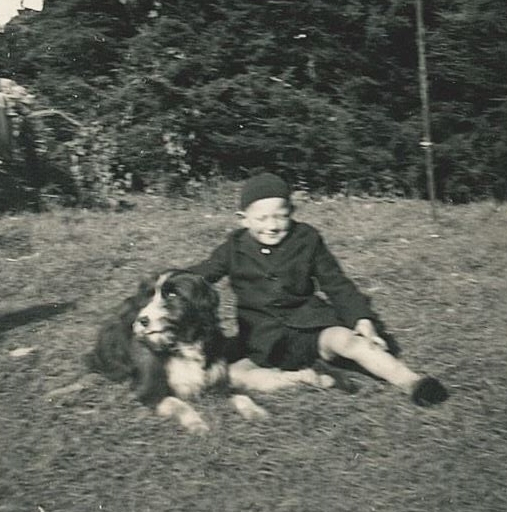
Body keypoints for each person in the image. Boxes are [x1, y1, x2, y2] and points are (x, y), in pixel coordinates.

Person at [188, 172, 448, 406]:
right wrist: (165, 282)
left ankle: (412, 382)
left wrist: (362, 319)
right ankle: (306, 379)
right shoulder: (233, 247)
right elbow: (203, 273)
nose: (272, 225)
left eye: (281, 215)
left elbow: (336, 283)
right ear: (243, 219)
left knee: (351, 342)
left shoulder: (307, 238)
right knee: (232, 376)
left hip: (312, 328)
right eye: (262, 218)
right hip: (261, 341)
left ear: (292, 211)